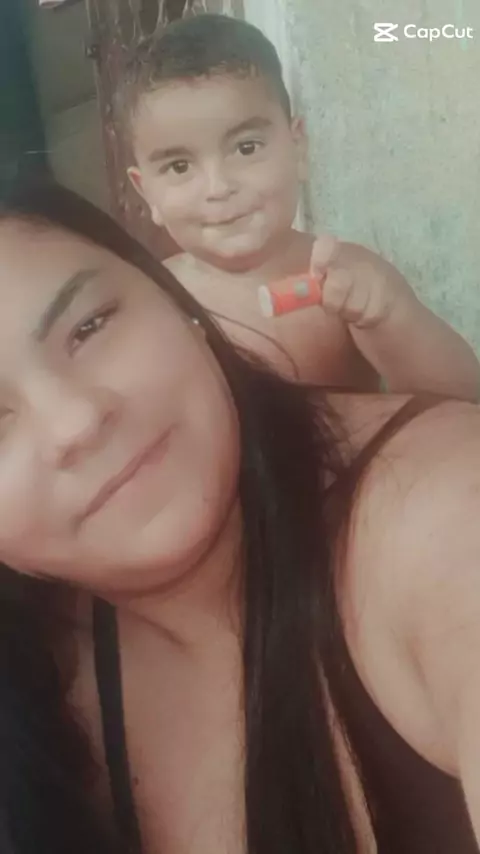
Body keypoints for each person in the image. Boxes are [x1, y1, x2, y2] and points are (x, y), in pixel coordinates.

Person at [1, 179, 480, 854]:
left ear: (176, 302)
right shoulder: (39, 666)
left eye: (89, 326)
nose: (77, 421)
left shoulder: (438, 512)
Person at [121, 13, 480, 398]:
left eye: (246, 148)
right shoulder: (154, 299)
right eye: (179, 166)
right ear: (147, 193)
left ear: (297, 148)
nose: (219, 187)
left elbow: (464, 400)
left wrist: (390, 316)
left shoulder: (343, 280)